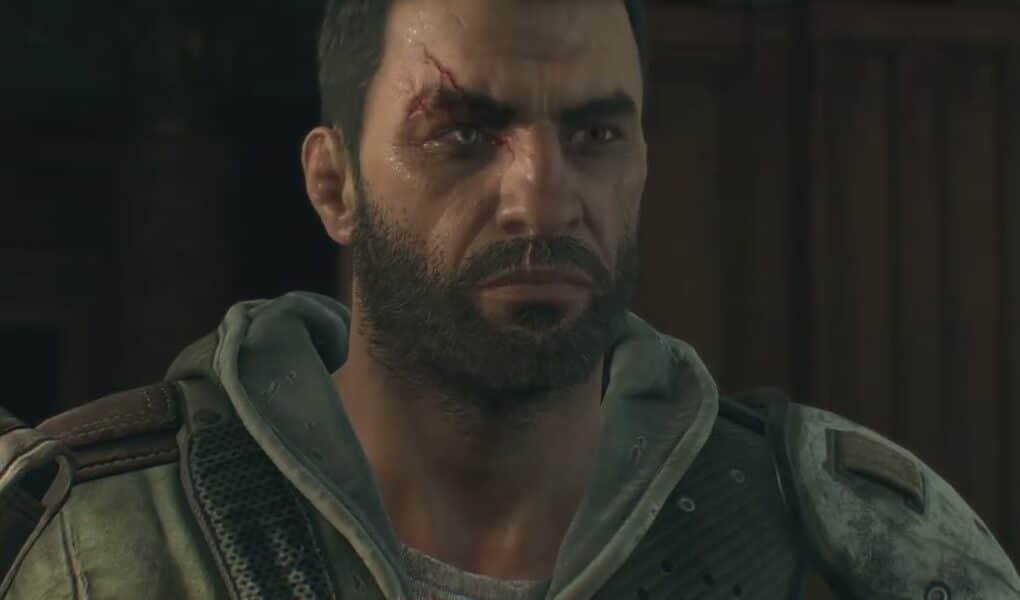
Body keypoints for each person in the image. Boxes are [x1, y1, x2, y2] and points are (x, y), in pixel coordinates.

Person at [1, 0, 1018, 598]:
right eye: (462, 133)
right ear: (334, 185)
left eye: (595, 135)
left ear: (643, 167)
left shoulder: (840, 540)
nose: (543, 197)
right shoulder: (97, 539)